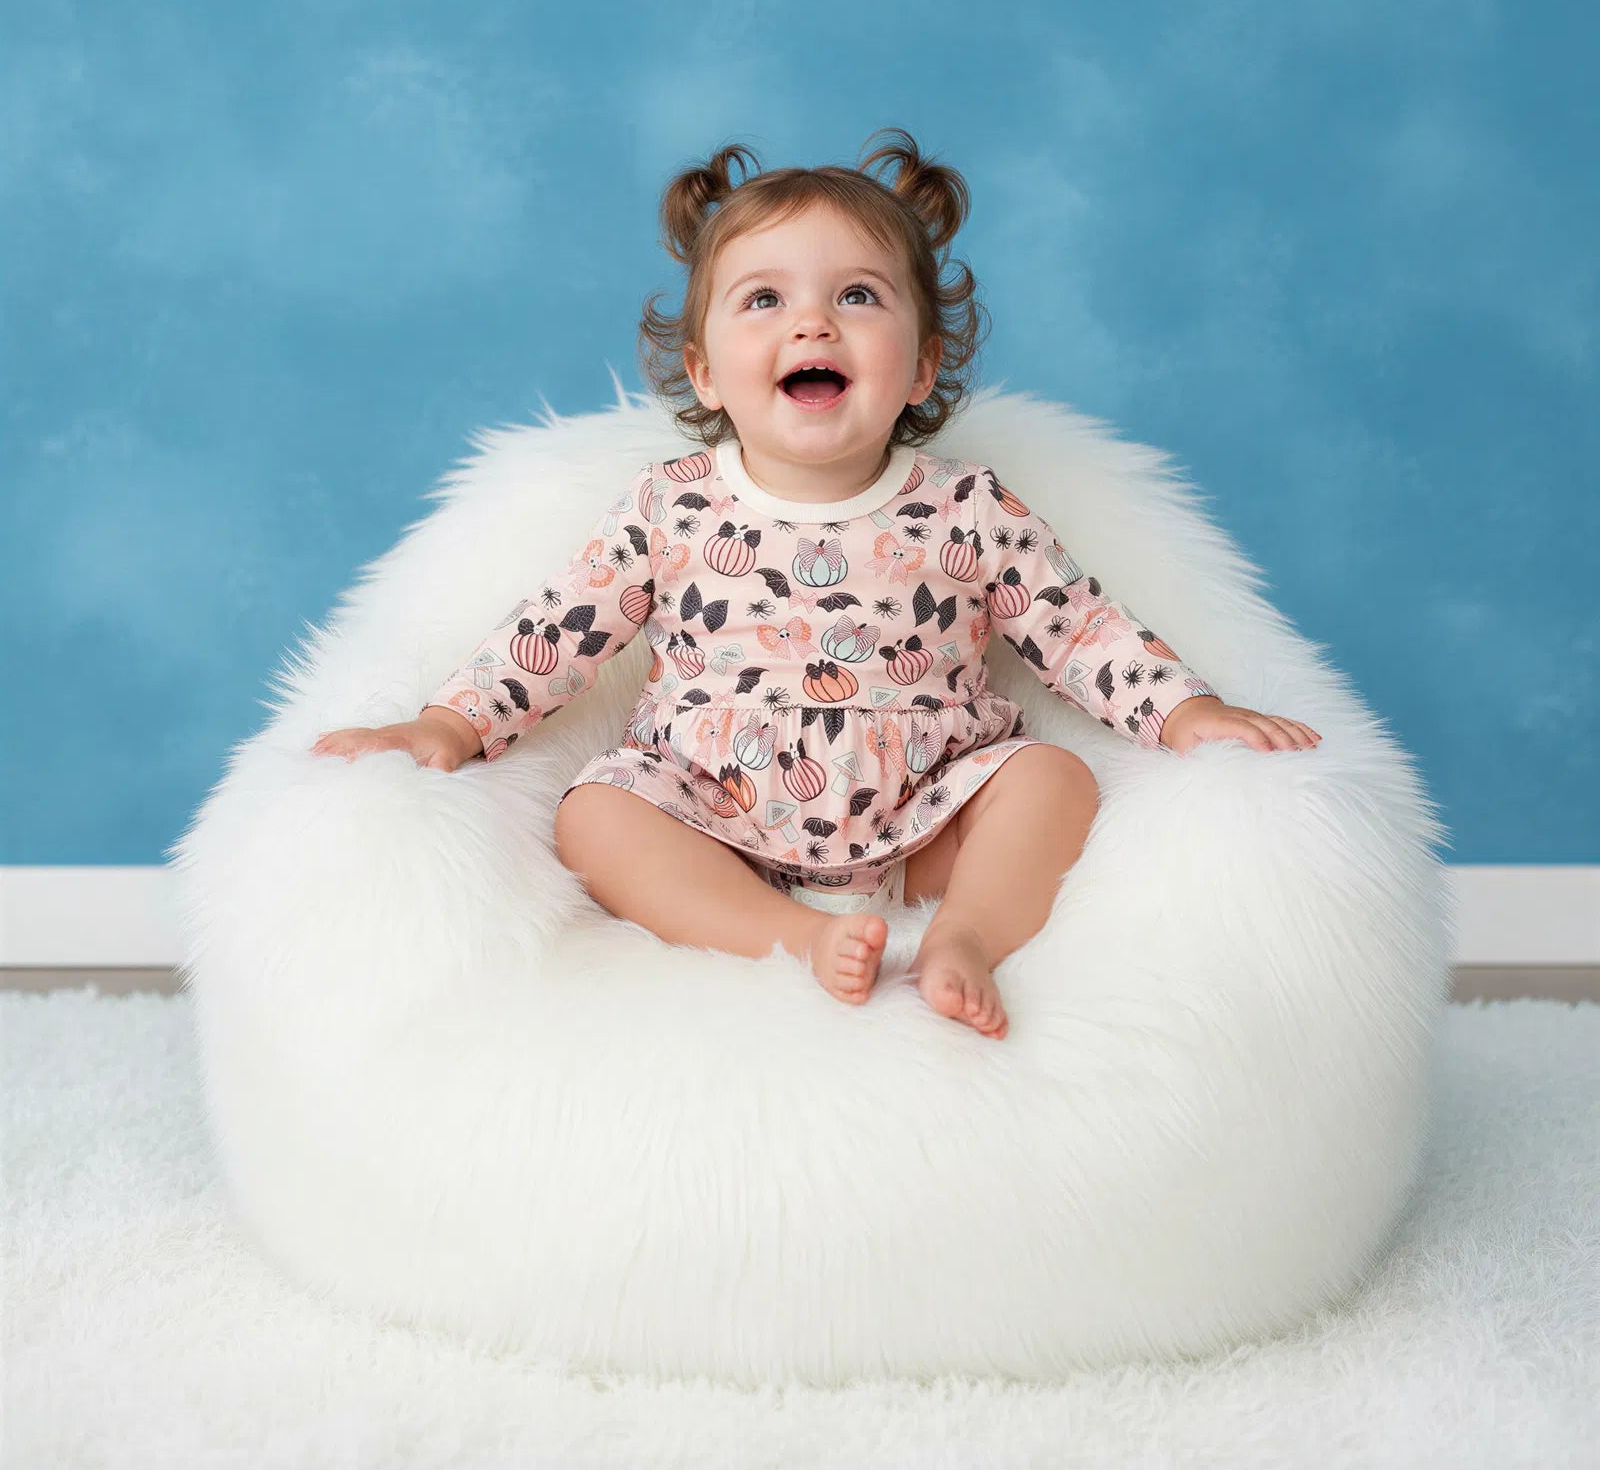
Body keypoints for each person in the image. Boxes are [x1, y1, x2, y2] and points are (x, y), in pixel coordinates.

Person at [311, 128, 1321, 1042]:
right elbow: (557, 629)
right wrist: (448, 724)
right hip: (713, 816)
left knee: (1052, 780)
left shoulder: (966, 508)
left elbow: (1080, 628)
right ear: (706, 373)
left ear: (921, 366)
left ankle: (963, 938)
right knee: (594, 816)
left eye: (857, 296)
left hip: (924, 817)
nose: (813, 326)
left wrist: (1186, 712)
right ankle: (790, 936)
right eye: (765, 300)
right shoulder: (671, 507)